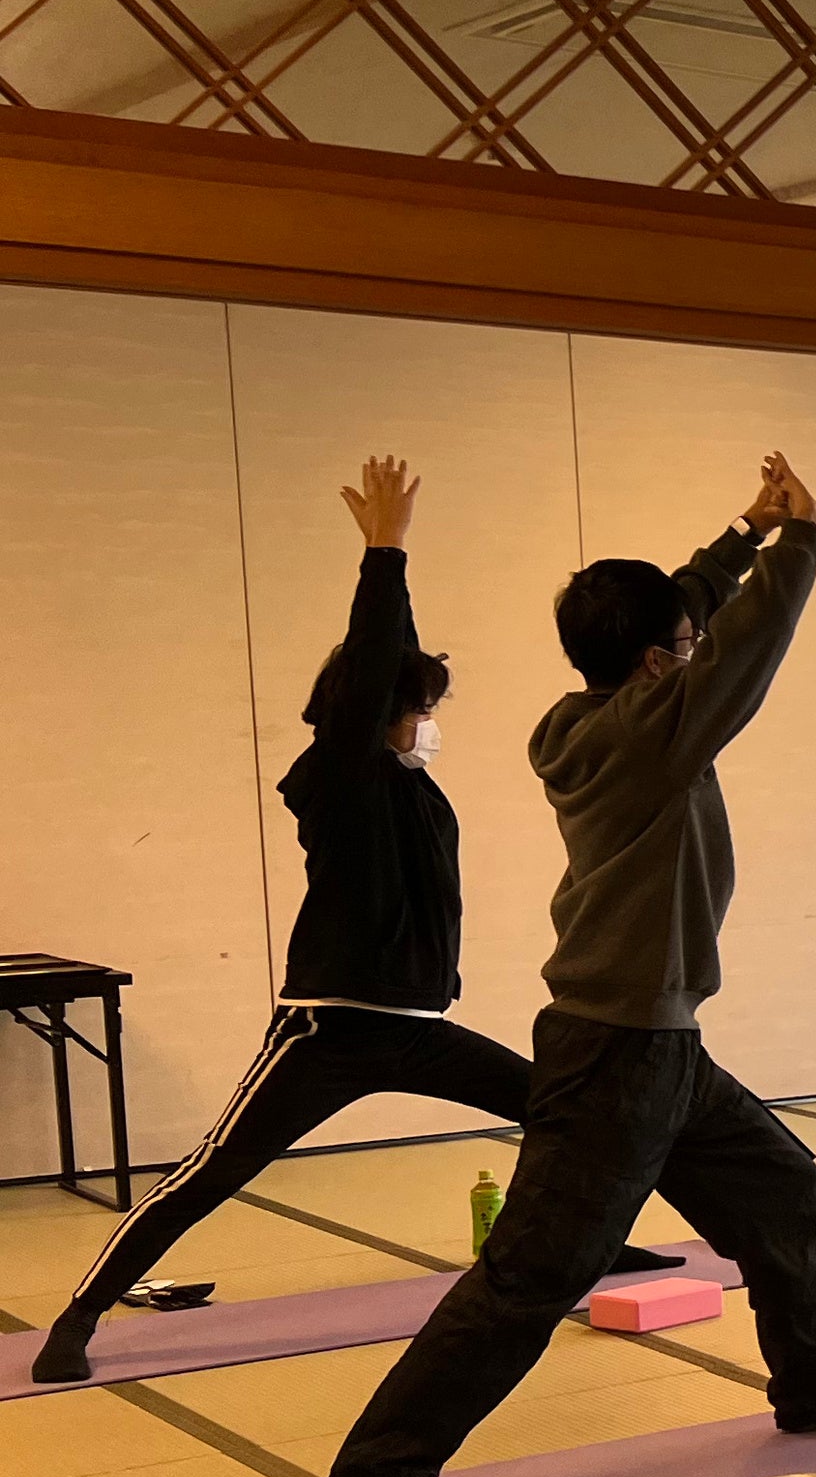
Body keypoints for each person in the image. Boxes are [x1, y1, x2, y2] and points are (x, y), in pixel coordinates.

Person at [27, 458, 658, 1382]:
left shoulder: (409, 785)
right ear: (378, 716)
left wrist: (403, 591)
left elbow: (393, 661)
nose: (430, 722)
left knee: (563, 1112)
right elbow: (371, 671)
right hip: (327, 1032)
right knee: (212, 1170)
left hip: (419, 1030)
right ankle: (78, 1314)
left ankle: (584, 1241)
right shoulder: (342, 777)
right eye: (419, 709)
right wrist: (383, 554)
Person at [316, 456, 816, 1477]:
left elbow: (685, 618)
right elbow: (744, 650)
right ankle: (378, 1466)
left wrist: (744, 532)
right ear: (658, 666)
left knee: (783, 1192)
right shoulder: (654, 733)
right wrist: (800, 544)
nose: (695, 650)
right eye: (682, 648)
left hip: (663, 1047)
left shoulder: (594, 716)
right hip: (616, 1053)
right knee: (536, 1269)